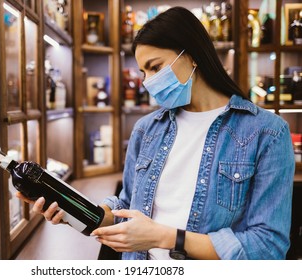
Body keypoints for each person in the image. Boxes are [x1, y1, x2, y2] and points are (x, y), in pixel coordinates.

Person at [18, 6, 295, 260]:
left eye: (155, 67)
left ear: (192, 56)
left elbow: (267, 246)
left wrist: (166, 237)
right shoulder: (147, 129)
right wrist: (72, 210)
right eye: (143, 72)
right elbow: (126, 208)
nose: (149, 81)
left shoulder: (267, 133)